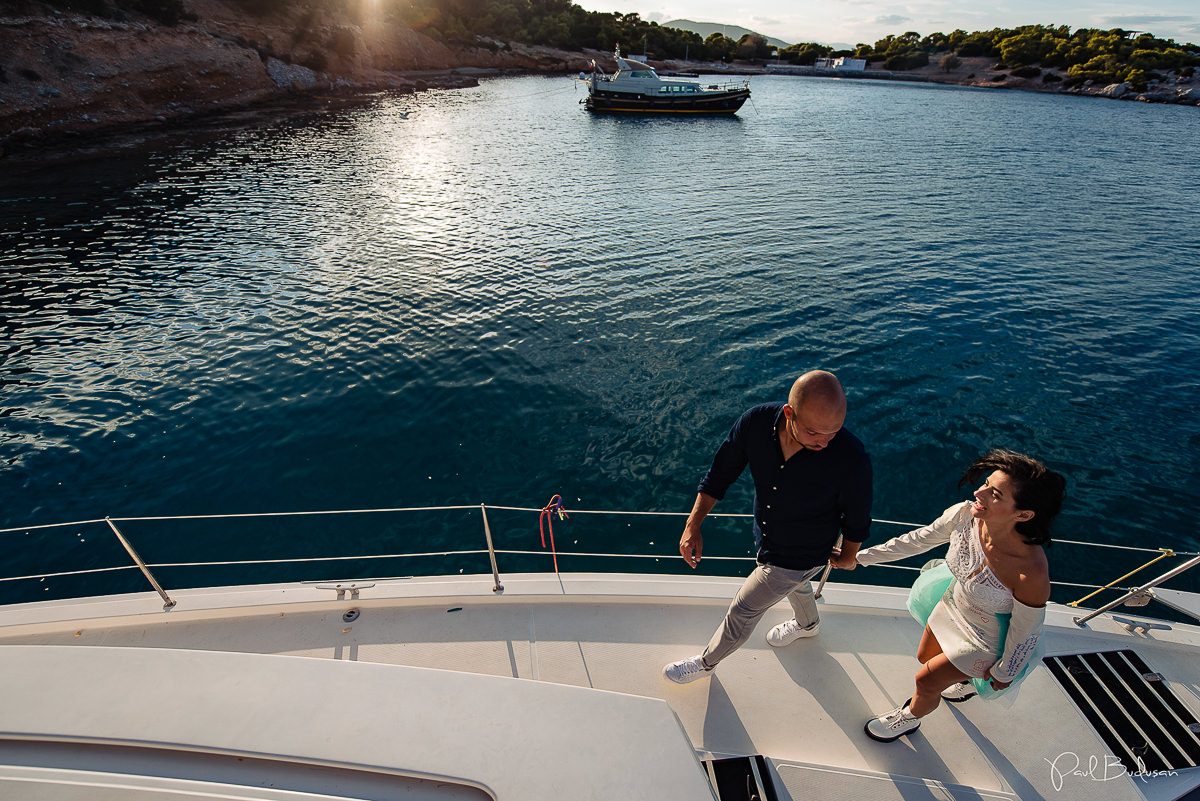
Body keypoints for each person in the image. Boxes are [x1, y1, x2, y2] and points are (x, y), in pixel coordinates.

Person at [662, 370, 873, 684]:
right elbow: (720, 473)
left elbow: (857, 515)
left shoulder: (850, 456)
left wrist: (848, 556)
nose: (825, 442)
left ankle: (706, 663)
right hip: (767, 536)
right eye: (815, 433)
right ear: (789, 413)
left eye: (833, 432)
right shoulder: (756, 423)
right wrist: (693, 525)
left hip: (804, 552)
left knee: (743, 610)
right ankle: (808, 625)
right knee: (797, 586)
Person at [850, 449, 1066, 742]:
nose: (979, 492)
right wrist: (859, 558)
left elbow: (1026, 631)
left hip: (984, 638)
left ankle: (910, 717)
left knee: (925, 680)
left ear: (1024, 514)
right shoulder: (965, 515)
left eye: (996, 495)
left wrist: (1005, 673)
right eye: (986, 484)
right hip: (952, 606)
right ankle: (964, 679)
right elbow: (918, 541)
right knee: (924, 656)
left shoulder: (1030, 572)